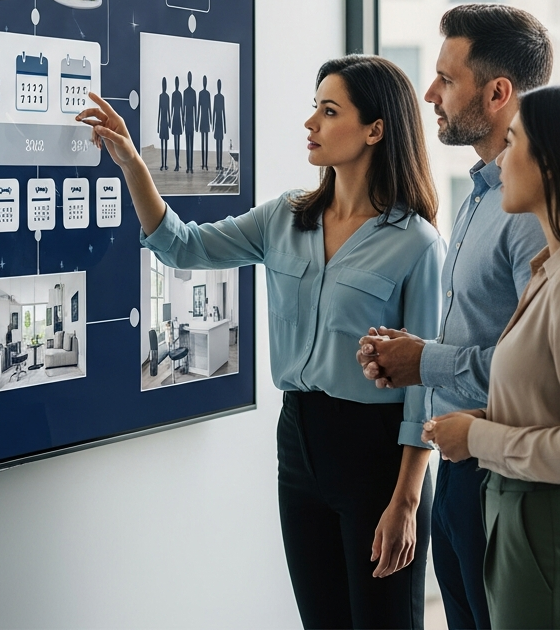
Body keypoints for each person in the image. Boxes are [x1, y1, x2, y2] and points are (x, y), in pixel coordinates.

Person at [78, 56, 444, 629]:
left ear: (375, 130)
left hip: (378, 455)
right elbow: (183, 247)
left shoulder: (417, 244)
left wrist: (406, 501)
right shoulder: (285, 219)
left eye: (329, 111)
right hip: (299, 437)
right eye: (314, 108)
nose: (310, 123)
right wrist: (131, 164)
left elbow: (427, 391)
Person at [356, 4, 552, 630]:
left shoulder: (531, 213)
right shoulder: (478, 195)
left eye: (447, 78)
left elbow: (539, 371)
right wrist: (415, 355)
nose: (430, 94)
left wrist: (425, 361)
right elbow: (484, 330)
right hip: (460, 472)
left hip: (509, 483)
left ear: (498, 93)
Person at [423, 85, 560, 629]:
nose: (501, 159)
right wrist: (482, 419)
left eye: (514, 141)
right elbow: (550, 406)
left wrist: (477, 438)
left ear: (551, 165)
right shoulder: (553, 272)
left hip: (557, 543)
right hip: (527, 528)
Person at [182, 72, 198, 173]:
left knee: (190, 145)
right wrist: (183, 121)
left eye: (190, 78)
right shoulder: (187, 92)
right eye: (189, 78)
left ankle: (190, 167)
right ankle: (189, 167)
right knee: (188, 145)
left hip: (191, 121)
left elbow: (195, 108)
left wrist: (196, 122)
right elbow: (183, 108)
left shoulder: (192, 92)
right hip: (188, 121)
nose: (189, 79)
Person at [198, 75, 212, 170]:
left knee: (205, 143)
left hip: (205, 119)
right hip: (204, 119)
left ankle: (205, 164)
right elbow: (199, 108)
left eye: (205, 81)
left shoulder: (206, 94)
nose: (204, 83)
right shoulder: (203, 94)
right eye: (204, 81)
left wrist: (211, 121)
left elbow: (209, 108)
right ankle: (204, 164)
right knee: (203, 143)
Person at [156, 77, 171, 170]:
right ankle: (163, 164)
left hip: (163, 122)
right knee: (164, 144)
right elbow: (160, 111)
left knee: (164, 144)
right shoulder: (164, 96)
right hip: (163, 122)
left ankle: (164, 164)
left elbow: (165, 111)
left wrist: (168, 123)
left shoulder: (163, 96)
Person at [213, 78, 226, 170]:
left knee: (220, 143)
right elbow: (214, 111)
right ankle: (218, 164)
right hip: (218, 122)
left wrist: (224, 126)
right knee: (218, 144)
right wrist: (213, 125)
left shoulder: (221, 97)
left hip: (220, 122)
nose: (219, 87)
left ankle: (219, 164)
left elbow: (223, 112)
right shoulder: (217, 97)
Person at [170, 76, 183, 171]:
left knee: (177, 143)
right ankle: (177, 163)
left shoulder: (175, 95)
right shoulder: (175, 95)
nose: (177, 84)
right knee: (176, 143)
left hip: (177, 119)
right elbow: (171, 110)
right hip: (176, 119)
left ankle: (177, 163)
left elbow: (180, 110)